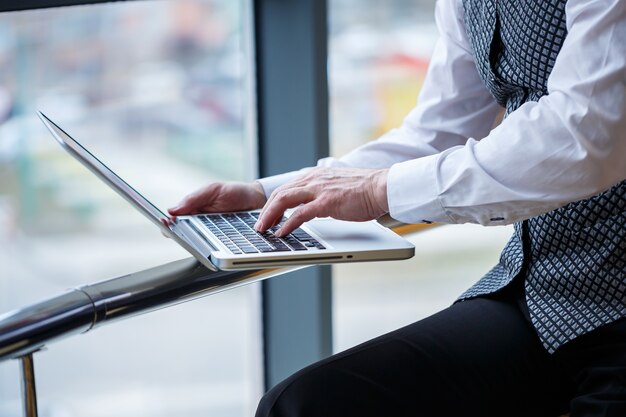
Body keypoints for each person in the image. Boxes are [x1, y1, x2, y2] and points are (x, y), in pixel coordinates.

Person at [169, 0, 626, 415]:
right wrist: (272, 193)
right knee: (302, 406)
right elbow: (438, 131)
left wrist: (377, 192)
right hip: (541, 292)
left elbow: (586, 134)